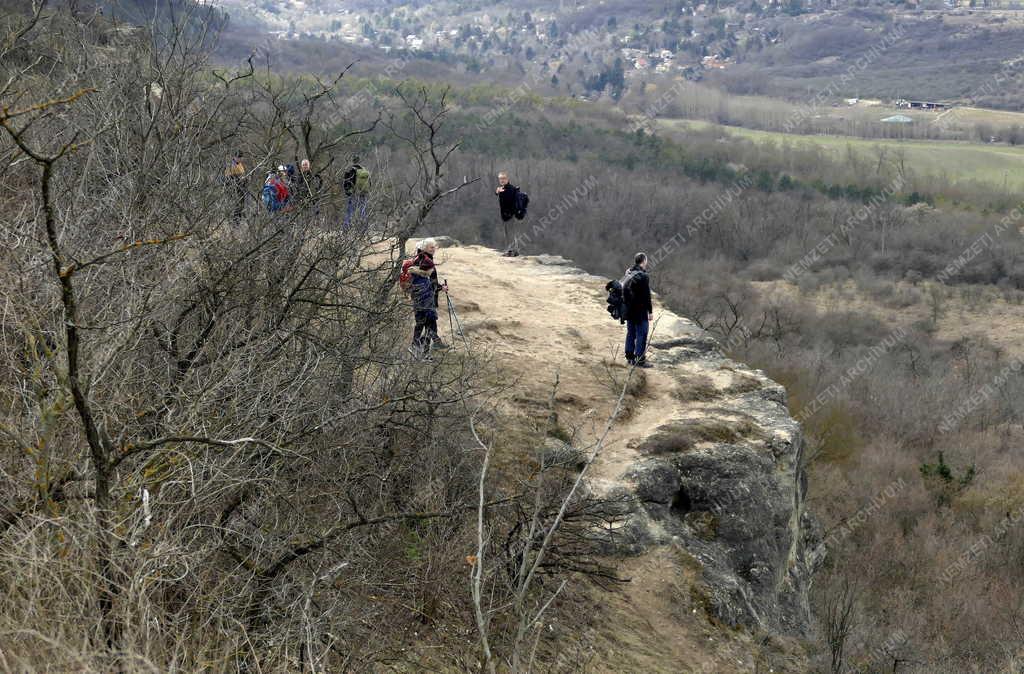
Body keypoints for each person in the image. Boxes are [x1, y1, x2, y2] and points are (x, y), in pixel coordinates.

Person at [408, 238, 449, 356]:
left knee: (424, 324)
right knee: (429, 323)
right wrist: (441, 288)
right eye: (432, 247)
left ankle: (422, 351)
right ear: (425, 248)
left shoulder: (420, 259)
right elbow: (428, 281)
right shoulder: (426, 261)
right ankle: (424, 348)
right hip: (425, 298)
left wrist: (439, 287)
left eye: (434, 247)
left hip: (421, 297)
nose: (434, 249)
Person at [622, 252, 654, 368]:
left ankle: (629, 357)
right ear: (644, 261)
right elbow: (647, 296)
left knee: (631, 333)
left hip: (629, 310)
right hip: (640, 311)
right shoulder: (643, 276)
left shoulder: (629, 273)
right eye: (646, 260)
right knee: (642, 334)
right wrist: (650, 312)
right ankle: (639, 360)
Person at [495, 171, 521, 256]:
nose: (502, 180)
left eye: (503, 178)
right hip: (506, 214)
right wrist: (497, 192)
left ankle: (510, 251)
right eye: (500, 178)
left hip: (509, 214)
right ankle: (515, 251)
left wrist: (501, 193)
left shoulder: (509, 188)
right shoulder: (503, 188)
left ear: (507, 179)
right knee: (510, 233)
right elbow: (498, 194)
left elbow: (508, 200)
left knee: (509, 233)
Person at [343, 155, 370, 227]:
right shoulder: (364, 170)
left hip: (353, 193)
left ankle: (346, 227)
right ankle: (363, 228)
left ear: (353, 161)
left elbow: (346, 182)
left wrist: (347, 191)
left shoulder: (351, 170)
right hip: (363, 193)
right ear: (359, 161)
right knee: (362, 211)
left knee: (350, 211)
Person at [224, 151, 247, 220]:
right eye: (238, 157)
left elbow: (243, 175)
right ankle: (235, 220)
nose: (239, 159)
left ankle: (238, 220)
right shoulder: (231, 165)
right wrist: (238, 178)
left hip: (241, 188)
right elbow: (228, 178)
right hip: (234, 189)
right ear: (234, 157)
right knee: (236, 205)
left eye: (240, 157)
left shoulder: (240, 165)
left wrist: (245, 179)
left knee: (241, 204)